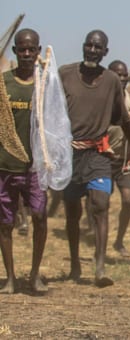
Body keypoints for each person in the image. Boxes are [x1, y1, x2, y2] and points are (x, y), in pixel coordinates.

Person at [59, 30, 130, 287]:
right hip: (70, 155)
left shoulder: (111, 81)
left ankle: (99, 268)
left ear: (105, 52)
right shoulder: (65, 75)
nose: (92, 50)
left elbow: (123, 119)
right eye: (89, 46)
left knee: (101, 205)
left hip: (98, 155)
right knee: (72, 212)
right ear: (83, 47)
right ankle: (75, 265)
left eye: (98, 47)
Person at [0, 28, 48, 294]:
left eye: (32, 49)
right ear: (15, 52)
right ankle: (9, 278)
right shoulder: (3, 83)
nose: (27, 54)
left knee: (40, 217)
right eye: (22, 49)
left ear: (38, 51)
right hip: (4, 165)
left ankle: (34, 274)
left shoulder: (45, 85)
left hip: (35, 168)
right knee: (5, 223)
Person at [106, 60, 130, 258]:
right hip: (102, 158)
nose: (121, 78)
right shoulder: (102, 99)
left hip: (124, 161)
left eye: (124, 75)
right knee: (100, 202)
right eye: (117, 75)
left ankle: (119, 240)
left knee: (128, 200)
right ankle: (97, 235)